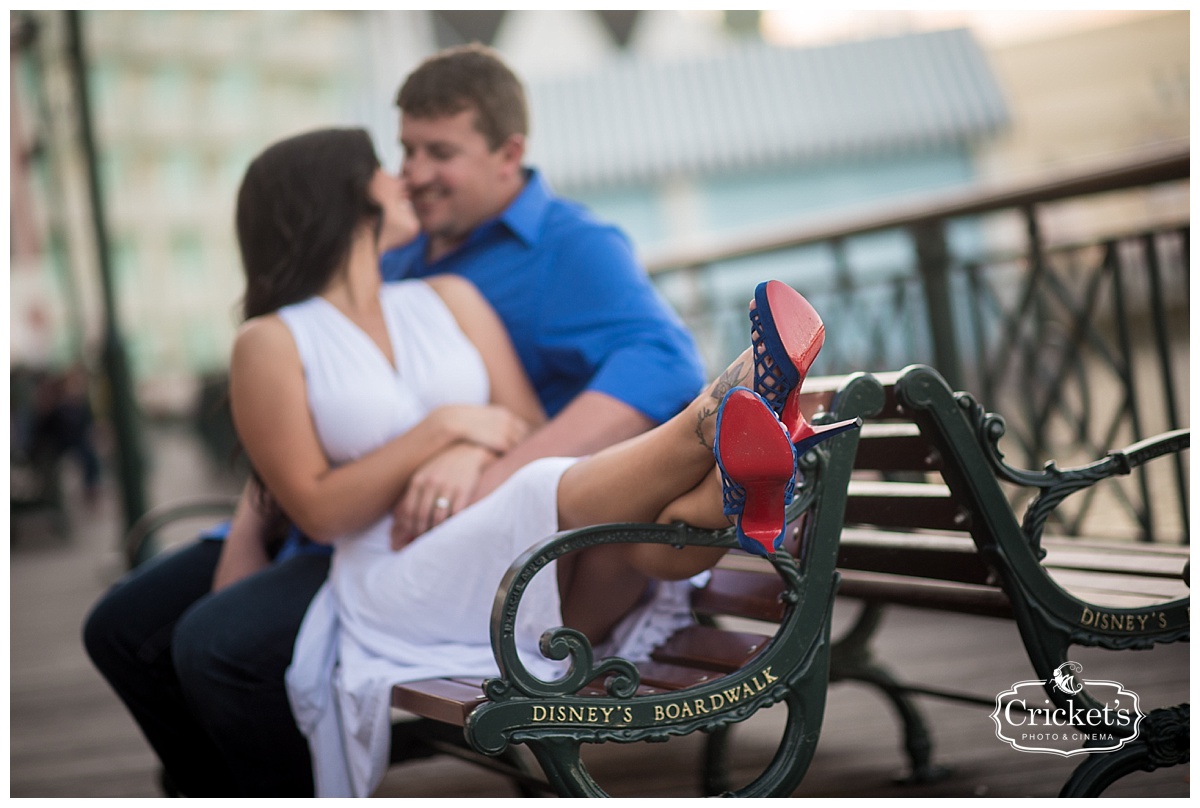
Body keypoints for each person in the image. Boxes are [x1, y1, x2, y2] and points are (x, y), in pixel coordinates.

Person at [83, 44, 704, 796]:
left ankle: (716, 431)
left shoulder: (570, 250)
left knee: (217, 647)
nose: (412, 171)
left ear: (509, 153)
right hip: (357, 522)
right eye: (404, 150)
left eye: (439, 152)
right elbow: (320, 397)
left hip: (479, 520)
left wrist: (483, 471)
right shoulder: (398, 260)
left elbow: (658, 363)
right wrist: (255, 526)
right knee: (123, 629)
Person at [216, 129, 840, 796]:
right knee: (541, 483)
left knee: (619, 541)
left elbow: (528, 424)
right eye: (381, 169)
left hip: (506, 553)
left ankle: (723, 490)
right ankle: (714, 418)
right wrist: (442, 428)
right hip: (393, 572)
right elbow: (315, 507)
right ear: (336, 199)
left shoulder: (448, 297)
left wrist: (468, 446)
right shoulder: (269, 342)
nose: (403, 179)